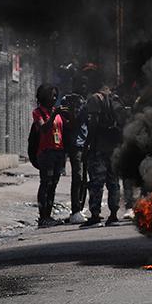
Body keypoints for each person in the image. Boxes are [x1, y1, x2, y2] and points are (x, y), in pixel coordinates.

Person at [79, 85, 124, 226]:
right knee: (113, 182)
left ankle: (95, 216)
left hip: (99, 147)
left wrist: (87, 145)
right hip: (114, 147)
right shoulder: (115, 99)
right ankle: (113, 215)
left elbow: (93, 124)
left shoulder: (95, 99)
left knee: (96, 183)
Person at [57, 68, 92, 223]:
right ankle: (75, 210)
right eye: (80, 84)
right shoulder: (68, 100)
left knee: (84, 177)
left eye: (85, 84)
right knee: (77, 176)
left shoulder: (86, 101)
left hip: (85, 142)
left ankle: (80, 209)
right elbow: (69, 121)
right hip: (74, 143)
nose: (83, 87)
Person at [32, 84, 67, 227]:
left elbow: (67, 126)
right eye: (51, 95)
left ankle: (49, 216)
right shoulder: (38, 112)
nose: (54, 98)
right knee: (45, 183)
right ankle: (43, 217)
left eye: (55, 95)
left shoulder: (56, 111)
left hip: (58, 152)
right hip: (46, 152)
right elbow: (44, 129)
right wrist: (54, 115)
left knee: (53, 184)